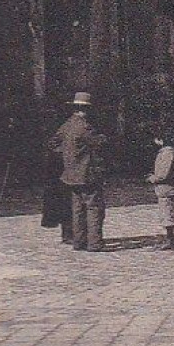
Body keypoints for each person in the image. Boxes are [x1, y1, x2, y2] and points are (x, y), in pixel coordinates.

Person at [48, 91, 106, 252]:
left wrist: (67, 154)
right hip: (87, 174)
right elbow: (98, 143)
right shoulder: (86, 127)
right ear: (86, 110)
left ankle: (78, 242)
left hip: (70, 175)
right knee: (94, 208)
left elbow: (52, 143)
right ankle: (94, 243)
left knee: (77, 209)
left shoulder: (66, 125)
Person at [146, 127, 174, 251]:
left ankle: (170, 240)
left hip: (166, 187)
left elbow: (163, 174)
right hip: (164, 188)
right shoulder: (166, 152)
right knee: (165, 212)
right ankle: (169, 239)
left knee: (167, 213)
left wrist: (153, 178)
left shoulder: (167, 153)